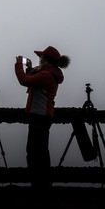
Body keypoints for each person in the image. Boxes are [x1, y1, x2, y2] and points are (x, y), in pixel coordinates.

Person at [14, 46, 70, 189]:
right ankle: (42, 183)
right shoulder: (48, 73)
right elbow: (33, 80)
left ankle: (39, 184)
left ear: (47, 60)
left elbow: (25, 81)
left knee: (35, 153)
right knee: (41, 152)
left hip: (39, 116)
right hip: (42, 116)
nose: (39, 59)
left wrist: (19, 64)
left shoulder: (46, 75)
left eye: (41, 57)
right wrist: (30, 68)